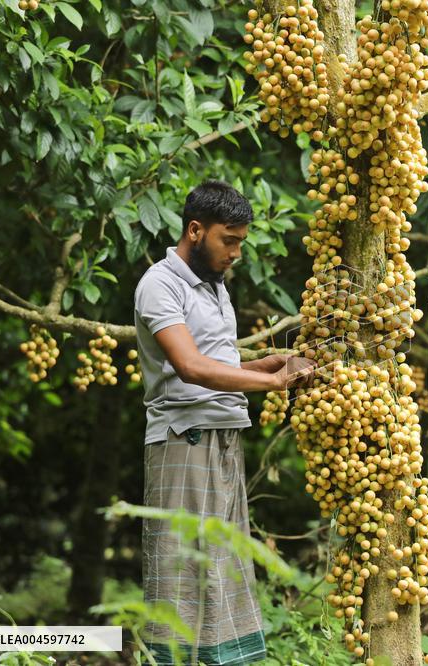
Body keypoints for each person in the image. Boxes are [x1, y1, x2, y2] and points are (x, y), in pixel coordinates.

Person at [133, 179, 313, 665]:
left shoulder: (215, 287)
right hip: (183, 441)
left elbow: (221, 365)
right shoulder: (160, 285)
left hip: (224, 437)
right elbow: (190, 368)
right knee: (180, 572)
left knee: (221, 569)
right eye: (227, 240)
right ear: (196, 230)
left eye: (240, 242)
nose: (235, 252)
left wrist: (272, 365)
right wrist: (273, 386)